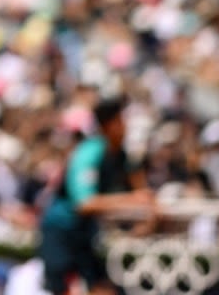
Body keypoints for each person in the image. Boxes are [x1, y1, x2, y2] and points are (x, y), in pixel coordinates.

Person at [37, 98, 157, 295]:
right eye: (123, 121)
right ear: (111, 124)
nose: (127, 127)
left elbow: (140, 192)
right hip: (61, 231)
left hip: (85, 232)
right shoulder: (90, 153)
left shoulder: (120, 155)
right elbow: (85, 203)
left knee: (101, 287)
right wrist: (132, 200)